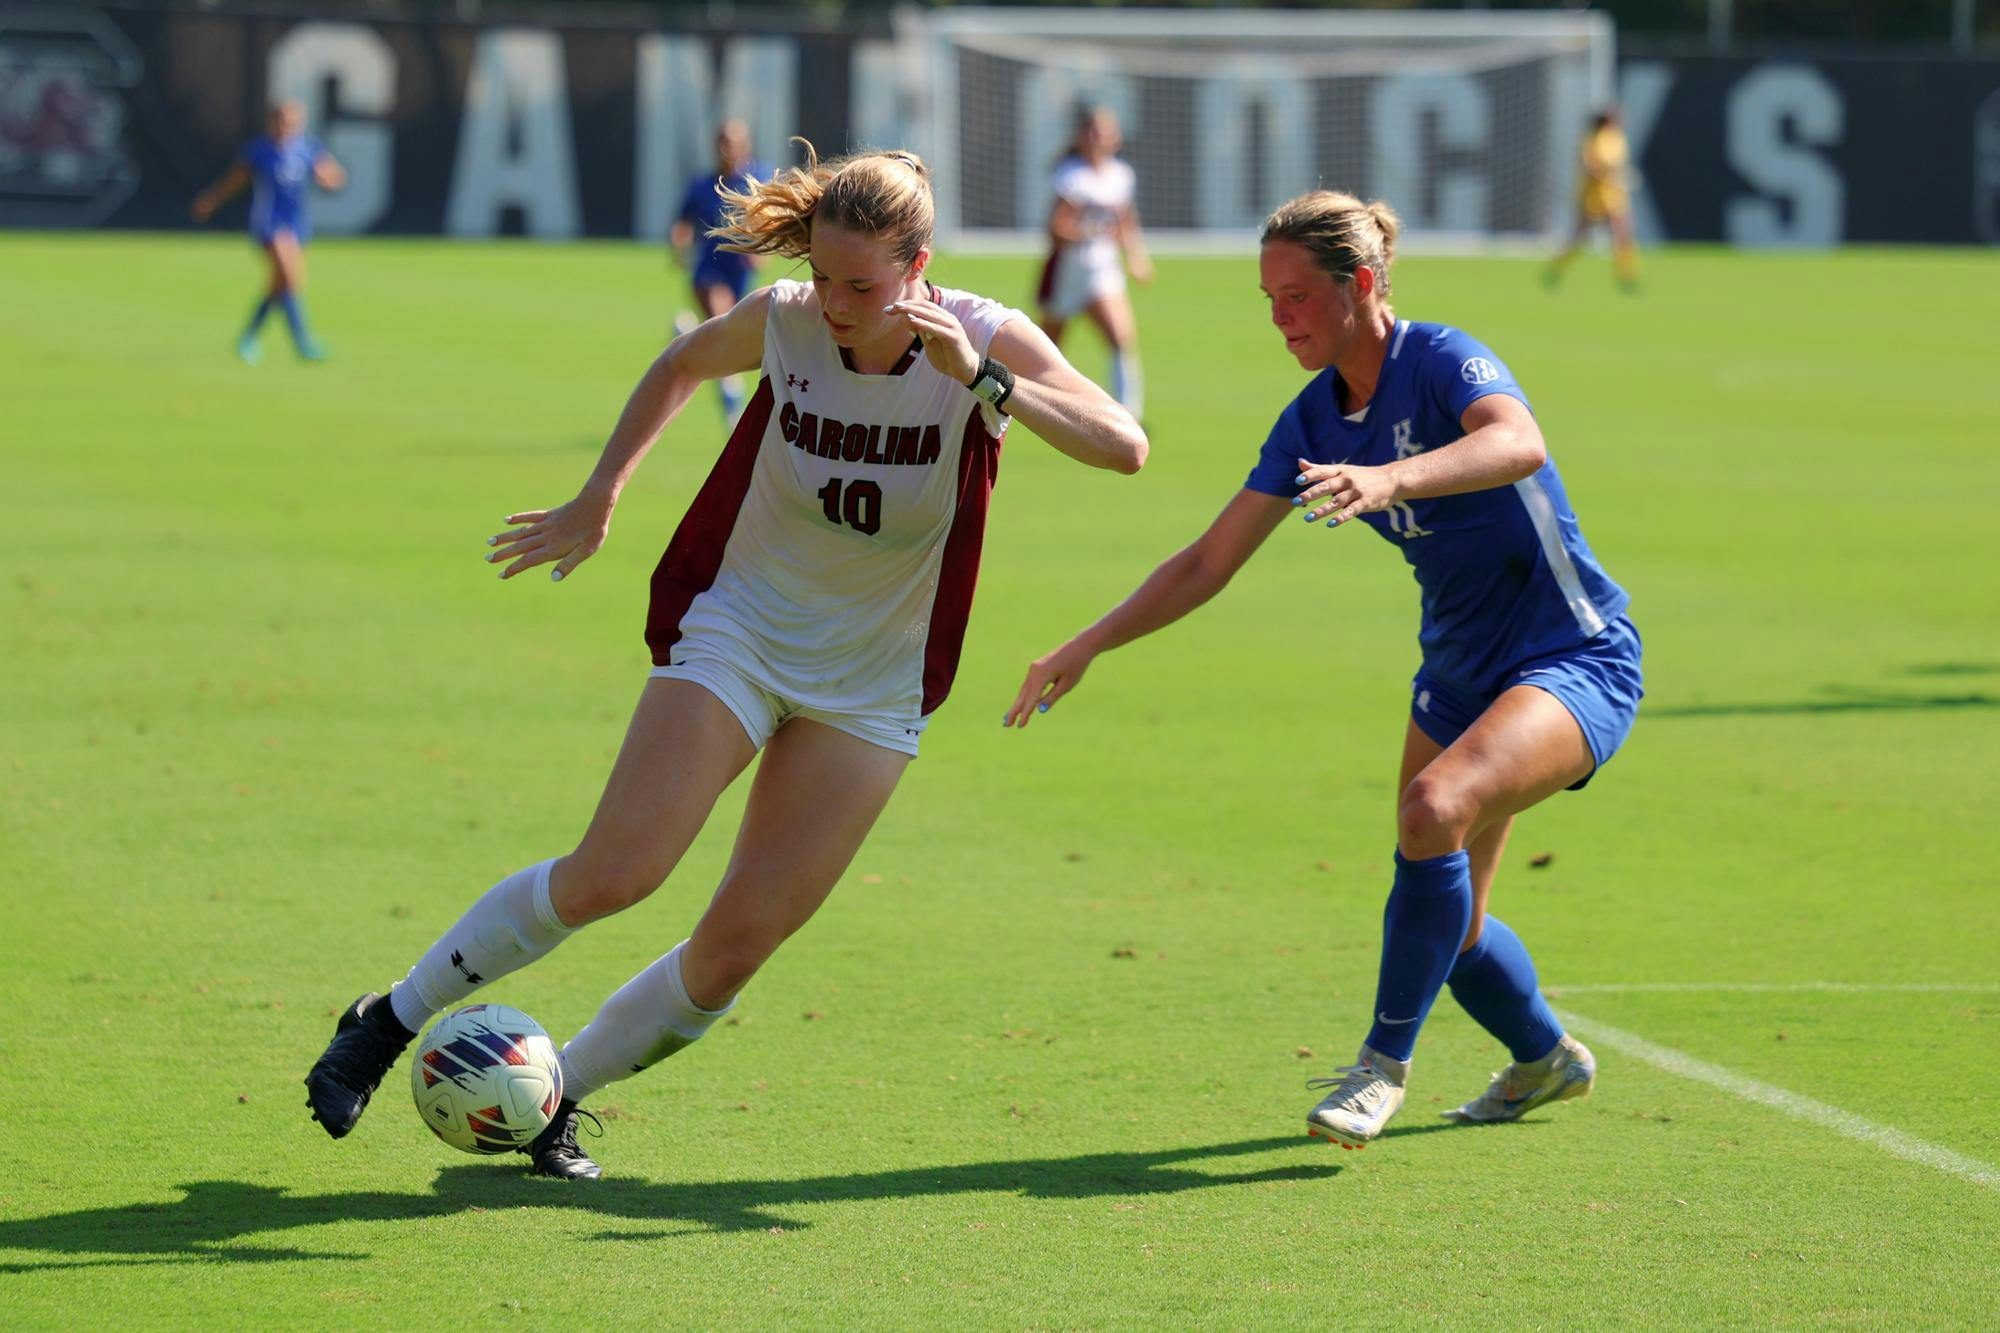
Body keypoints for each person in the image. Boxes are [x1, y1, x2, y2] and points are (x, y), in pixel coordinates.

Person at [303, 143, 1148, 1179]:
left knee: (733, 949)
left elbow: (1124, 444)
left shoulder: (976, 337)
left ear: (918, 265)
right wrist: (600, 492)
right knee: (616, 872)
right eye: (826, 276)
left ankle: (547, 1097)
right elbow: (679, 364)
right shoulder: (787, 316)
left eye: (863, 285)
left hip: (871, 679)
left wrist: (983, 381)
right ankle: (388, 1019)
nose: (836, 304)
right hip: (742, 630)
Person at [1006, 190, 1640, 1149]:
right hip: (1461, 673)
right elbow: (1206, 562)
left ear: (1366, 285)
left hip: (1572, 653)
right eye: (1270, 299)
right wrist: (1088, 641)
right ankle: (1547, 1058)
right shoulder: (1311, 419)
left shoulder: (1438, 357)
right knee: (1454, 928)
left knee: (1432, 811)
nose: (1281, 318)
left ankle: (1381, 1067)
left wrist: (1392, 478)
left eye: (1298, 295)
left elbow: (1519, 441)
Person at [191, 100, 345, 363]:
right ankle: (303, 342)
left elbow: (333, 175)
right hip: (269, 222)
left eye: (293, 120)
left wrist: (330, 178)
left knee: (280, 285)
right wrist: (213, 199)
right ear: (272, 121)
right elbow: (235, 180)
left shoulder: (306, 148)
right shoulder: (260, 150)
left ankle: (249, 337)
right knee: (289, 276)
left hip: (297, 224)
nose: (288, 125)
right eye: (283, 120)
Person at [1035, 106, 1152, 421]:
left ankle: (1129, 415)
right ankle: (1030, 400)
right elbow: (1055, 229)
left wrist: (1137, 257)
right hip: (1069, 270)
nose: (1098, 138)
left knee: (1121, 338)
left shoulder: (1121, 175)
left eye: (1104, 132)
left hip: (1103, 269)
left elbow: (1126, 221)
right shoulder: (1072, 175)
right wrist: (1088, 231)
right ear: (1082, 137)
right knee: (1047, 346)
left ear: (1116, 138)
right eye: (1092, 131)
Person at [671, 120, 768, 419]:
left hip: (738, 269)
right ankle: (729, 384)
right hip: (708, 268)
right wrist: (679, 246)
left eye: (735, 141)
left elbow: (770, 218)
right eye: (724, 141)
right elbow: (683, 221)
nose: (729, 148)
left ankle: (687, 340)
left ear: (746, 145)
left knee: (727, 333)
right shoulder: (703, 184)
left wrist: (762, 249)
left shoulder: (758, 179)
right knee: (719, 311)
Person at [1546, 108, 1640, 293]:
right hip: (1594, 197)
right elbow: (1591, 166)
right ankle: (1556, 269)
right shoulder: (1593, 140)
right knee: (1579, 238)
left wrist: (1621, 176)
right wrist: (1610, 174)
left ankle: (1627, 277)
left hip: (1615, 196)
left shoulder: (1618, 139)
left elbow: (1619, 166)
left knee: (1623, 236)